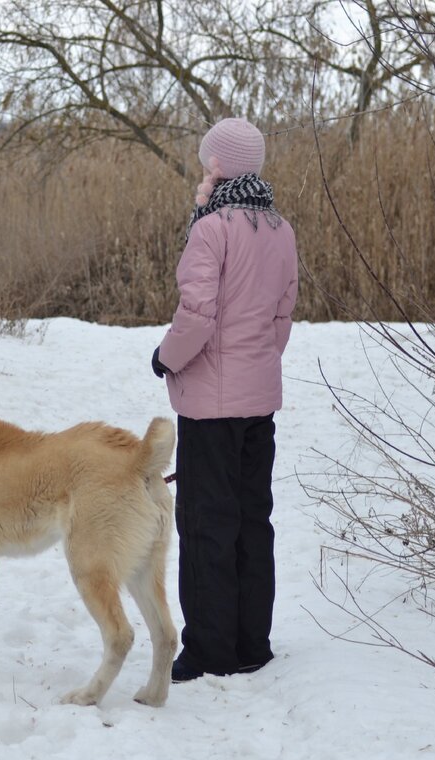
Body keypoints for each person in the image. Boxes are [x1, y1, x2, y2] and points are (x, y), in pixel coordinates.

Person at [151, 117, 299, 682]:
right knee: (251, 519)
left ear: (216, 167)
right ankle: (250, 644)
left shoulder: (210, 230)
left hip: (209, 409)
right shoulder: (280, 228)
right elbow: (280, 318)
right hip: (258, 401)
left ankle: (209, 651)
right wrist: (257, 367)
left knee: (206, 522)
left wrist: (167, 357)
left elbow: (196, 315)